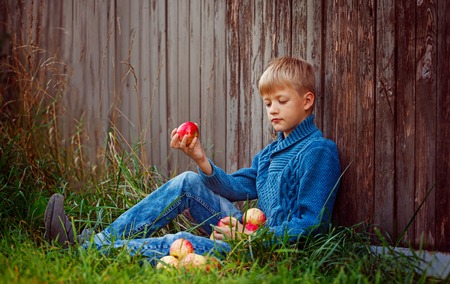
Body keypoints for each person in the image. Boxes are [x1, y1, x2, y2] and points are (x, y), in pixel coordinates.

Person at [45, 56, 341, 264]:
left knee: (184, 240)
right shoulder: (269, 154)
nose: (272, 110)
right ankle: (98, 242)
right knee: (189, 181)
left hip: (268, 250)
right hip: (249, 235)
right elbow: (237, 187)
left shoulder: (318, 152)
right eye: (267, 103)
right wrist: (200, 159)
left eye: (282, 101)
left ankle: (89, 250)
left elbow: (311, 225)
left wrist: (252, 238)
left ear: (307, 101)